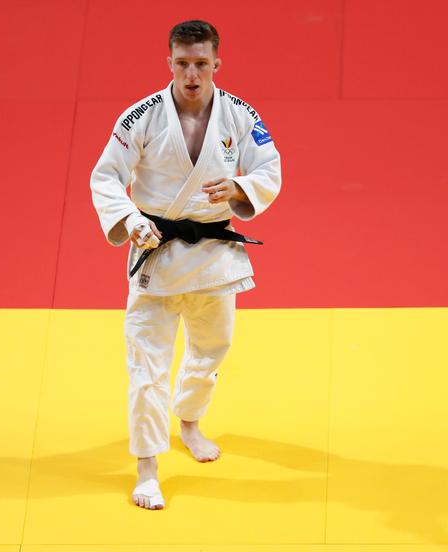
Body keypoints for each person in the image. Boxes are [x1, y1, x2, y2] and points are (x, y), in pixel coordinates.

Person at [89, 19, 281, 510]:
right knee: (146, 367)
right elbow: (106, 177)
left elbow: (270, 168)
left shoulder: (240, 114)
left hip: (215, 256)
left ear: (217, 63)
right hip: (157, 249)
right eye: (182, 63)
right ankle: (148, 466)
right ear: (169, 62)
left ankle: (190, 421)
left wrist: (240, 188)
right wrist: (130, 219)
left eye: (201, 63)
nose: (191, 74)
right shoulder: (141, 118)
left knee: (212, 349)